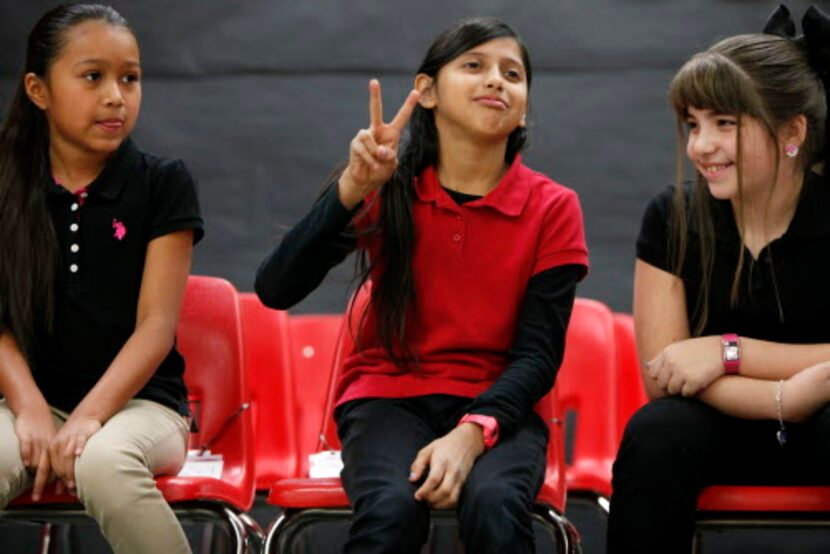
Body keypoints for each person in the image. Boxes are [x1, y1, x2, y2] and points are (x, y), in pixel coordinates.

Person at [256, 17, 588, 554]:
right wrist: (352, 186)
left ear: (525, 105)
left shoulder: (554, 207)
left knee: (495, 505)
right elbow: (276, 287)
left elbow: (538, 357)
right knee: (390, 509)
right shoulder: (389, 187)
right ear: (427, 91)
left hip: (500, 406)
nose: (497, 82)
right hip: (387, 401)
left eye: (512, 74)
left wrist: (471, 432)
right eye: (474, 66)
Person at [608, 5, 830, 553]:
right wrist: (790, 396)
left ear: (792, 132)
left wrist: (729, 353)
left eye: (724, 124)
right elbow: (665, 375)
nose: (700, 146)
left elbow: (697, 362)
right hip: (717, 428)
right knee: (657, 431)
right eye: (693, 125)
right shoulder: (673, 216)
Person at [0, 4, 203, 553]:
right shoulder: (5, 182)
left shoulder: (162, 182)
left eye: (129, 78)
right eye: (93, 77)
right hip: (28, 401)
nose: (117, 95)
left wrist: (87, 418)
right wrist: (32, 411)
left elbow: (155, 328)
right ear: (38, 90)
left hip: (142, 405)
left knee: (105, 463)